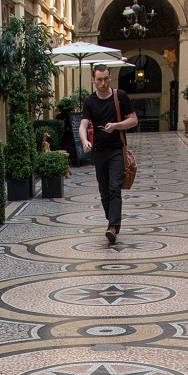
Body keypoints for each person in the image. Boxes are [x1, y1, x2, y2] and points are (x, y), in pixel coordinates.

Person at [79, 64, 138, 244]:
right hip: (99, 152)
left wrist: (116, 126)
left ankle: (113, 226)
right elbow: (82, 125)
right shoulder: (90, 101)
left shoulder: (120, 96)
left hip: (116, 150)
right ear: (93, 80)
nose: (103, 83)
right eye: (99, 80)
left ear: (110, 78)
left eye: (106, 79)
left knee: (114, 188)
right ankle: (111, 219)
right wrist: (84, 141)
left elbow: (133, 120)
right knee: (104, 192)